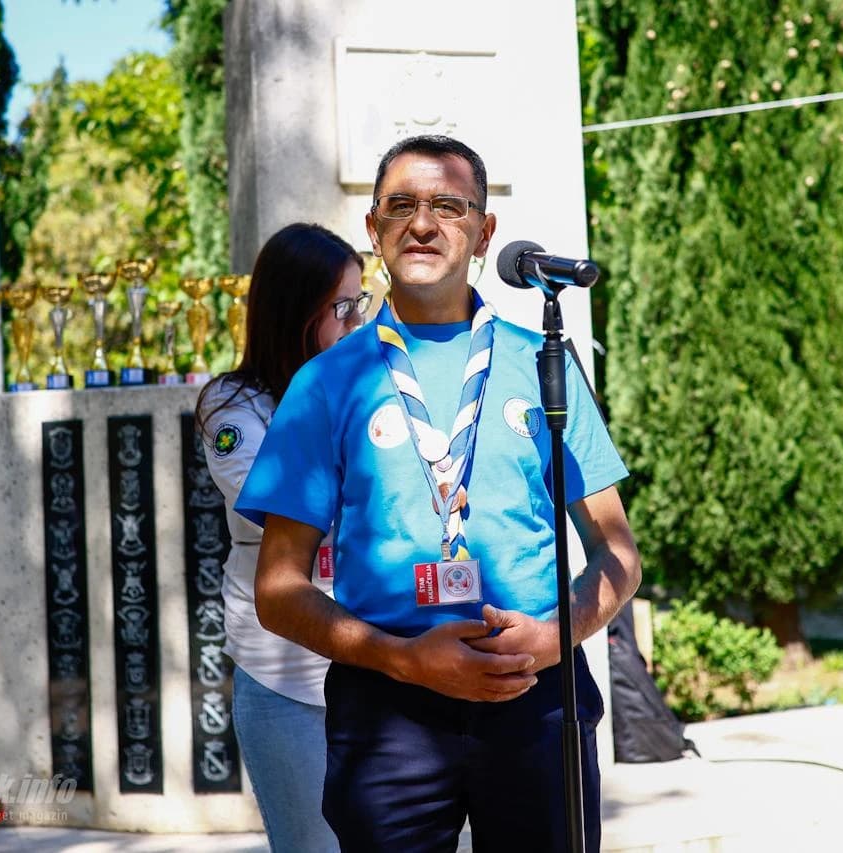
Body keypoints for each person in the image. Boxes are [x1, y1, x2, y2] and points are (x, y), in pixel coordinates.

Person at [236, 135, 641, 851]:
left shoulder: (542, 364)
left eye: (448, 206)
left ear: (484, 232)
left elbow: (616, 551)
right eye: (401, 205)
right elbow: (276, 589)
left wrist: (554, 637)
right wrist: (403, 657)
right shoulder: (327, 384)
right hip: (388, 713)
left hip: (537, 695)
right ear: (374, 230)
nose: (422, 223)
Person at [195, 222, 366, 853]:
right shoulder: (232, 408)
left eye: (360, 302)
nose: (355, 322)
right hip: (284, 678)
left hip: (377, 658)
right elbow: (289, 510)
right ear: (296, 310)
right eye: (340, 308)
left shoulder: (368, 389)